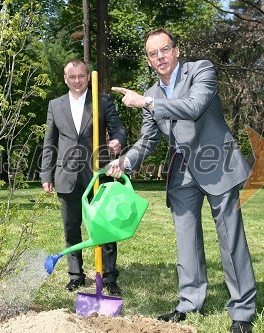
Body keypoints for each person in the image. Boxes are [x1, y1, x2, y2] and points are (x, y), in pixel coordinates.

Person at [106, 28, 256, 333]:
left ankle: (242, 310)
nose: (160, 57)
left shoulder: (201, 70)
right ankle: (190, 301)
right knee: (186, 239)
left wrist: (146, 102)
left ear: (176, 50)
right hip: (182, 170)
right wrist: (125, 161)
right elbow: (147, 141)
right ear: (148, 60)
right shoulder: (152, 93)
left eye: (164, 49)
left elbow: (193, 107)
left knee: (229, 237)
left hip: (217, 161)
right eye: (153, 53)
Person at [40, 59, 127, 295]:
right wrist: (46, 173)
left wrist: (118, 140)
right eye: (72, 77)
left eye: (81, 76)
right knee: (71, 228)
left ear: (88, 77)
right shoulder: (55, 105)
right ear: (65, 79)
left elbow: (119, 128)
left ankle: (109, 277)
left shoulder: (102, 101)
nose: (77, 81)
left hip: (97, 174)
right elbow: (50, 142)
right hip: (66, 175)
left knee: (105, 227)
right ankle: (76, 275)